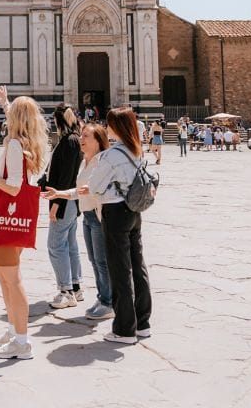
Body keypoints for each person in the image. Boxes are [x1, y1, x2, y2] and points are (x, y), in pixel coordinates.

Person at [0, 86, 49, 360]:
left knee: (12, 280)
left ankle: (22, 341)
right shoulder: (24, 142)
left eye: (11, 114)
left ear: (17, 120)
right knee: (5, 278)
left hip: (7, 216)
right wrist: (6, 102)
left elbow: (15, 187)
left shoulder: (16, 146)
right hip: (13, 218)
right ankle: (13, 328)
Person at [88, 107, 152, 344]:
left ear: (115, 127)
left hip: (115, 213)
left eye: (108, 124)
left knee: (119, 270)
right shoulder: (136, 150)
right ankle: (142, 324)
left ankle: (124, 329)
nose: (106, 128)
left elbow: (94, 187)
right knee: (138, 265)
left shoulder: (112, 155)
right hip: (134, 212)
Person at [44, 123, 114, 320]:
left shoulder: (102, 161)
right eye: (81, 135)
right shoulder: (85, 162)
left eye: (86, 136)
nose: (80, 139)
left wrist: (92, 189)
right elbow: (78, 190)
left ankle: (108, 302)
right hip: (88, 216)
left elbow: (101, 187)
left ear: (98, 141)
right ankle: (102, 299)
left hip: (99, 216)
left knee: (102, 262)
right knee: (94, 260)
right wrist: (59, 194)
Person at [43, 104, 84, 309]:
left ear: (58, 121)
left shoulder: (68, 142)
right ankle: (76, 287)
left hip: (64, 201)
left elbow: (66, 178)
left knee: (55, 245)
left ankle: (66, 291)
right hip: (70, 201)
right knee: (70, 244)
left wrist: (55, 204)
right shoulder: (74, 140)